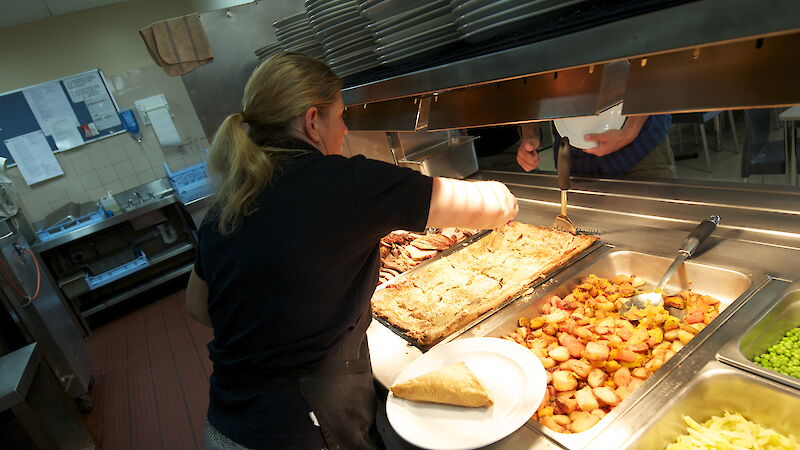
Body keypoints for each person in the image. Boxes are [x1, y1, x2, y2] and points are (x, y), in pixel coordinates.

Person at [185, 52, 518, 450]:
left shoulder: (227, 202)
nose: (344, 129)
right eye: (341, 116)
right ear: (312, 120)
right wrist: (506, 195)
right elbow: (495, 206)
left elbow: (198, 307)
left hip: (226, 425)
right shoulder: (347, 184)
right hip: (301, 428)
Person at [516, 114, 677, 178]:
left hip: (639, 143)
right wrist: (530, 133)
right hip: (574, 147)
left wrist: (630, 131)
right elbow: (530, 80)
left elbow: (649, 61)